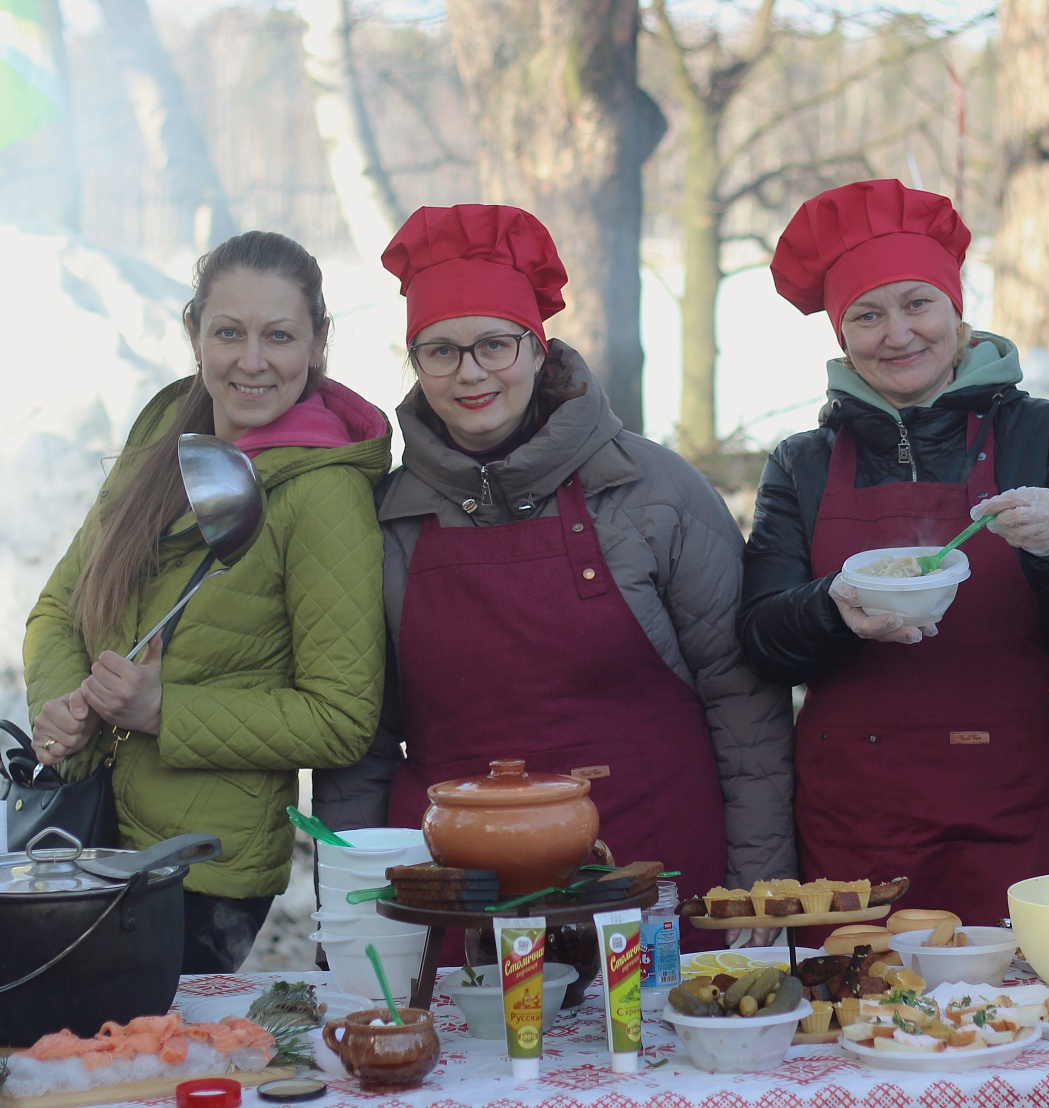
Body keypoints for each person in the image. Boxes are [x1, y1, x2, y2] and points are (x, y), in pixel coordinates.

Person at [312, 204, 795, 921]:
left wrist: (761, 888)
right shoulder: (384, 518)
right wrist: (351, 917)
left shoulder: (653, 491)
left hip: (650, 868)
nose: (470, 373)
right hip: (455, 892)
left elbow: (742, 701)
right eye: (439, 350)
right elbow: (361, 744)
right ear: (416, 365)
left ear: (538, 349)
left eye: (495, 345)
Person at [736, 179, 1049, 926]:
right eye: (867, 314)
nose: (898, 335)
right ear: (840, 334)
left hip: (1022, 809)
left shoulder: (1044, 435)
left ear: (956, 310)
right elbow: (761, 639)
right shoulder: (803, 462)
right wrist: (830, 609)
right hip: (857, 824)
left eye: (918, 303)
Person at [24, 230, 391, 973]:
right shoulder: (168, 431)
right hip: (84, 826)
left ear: (320, 341)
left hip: (199, 871)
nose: (251, 361)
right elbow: (58, 609)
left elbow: (343, 716)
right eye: (229, 332)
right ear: (193, 333)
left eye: (279, 336)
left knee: (148, 1072)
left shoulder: (324, 492)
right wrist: (67, 699)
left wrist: (164, 710)